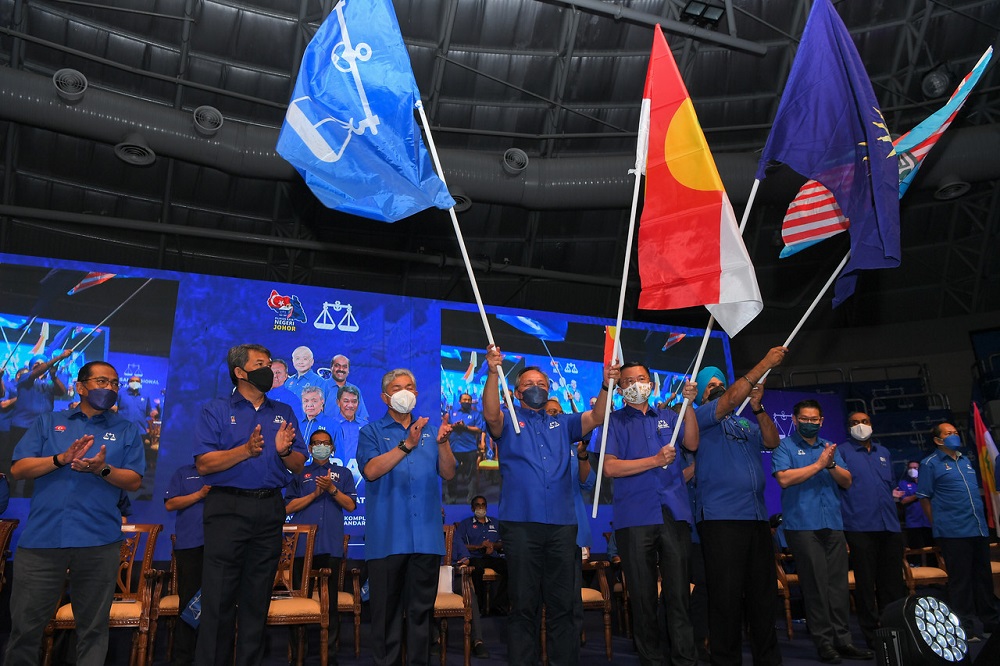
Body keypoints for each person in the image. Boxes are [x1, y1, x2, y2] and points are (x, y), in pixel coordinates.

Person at [482, 344, 618, 666]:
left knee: (564, 607)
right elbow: (490, 413)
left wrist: (605, 383)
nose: (536, 389)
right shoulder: (508, 422)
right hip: (521, 526)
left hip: (561, 527)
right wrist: (490, 372)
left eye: (542, 385)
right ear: (516, 393)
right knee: (524, 605)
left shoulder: (564, 424)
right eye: (529, 384)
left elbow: (598, 416)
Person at [3, 360, 145, 665]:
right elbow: (18, 468)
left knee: (92, 632)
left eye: (114, 383)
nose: (110, 388)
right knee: (25, 630)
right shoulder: (48, 421)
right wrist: (60, 458)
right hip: (43, 542)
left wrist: (101, 468)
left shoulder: (127, 430)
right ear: (80, 387)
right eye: (102, 382)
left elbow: (134, 480)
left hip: (99, 543)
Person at [193, 343, 306, 666]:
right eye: (260, 363)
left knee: (257, 601)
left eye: (270, 363)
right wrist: (245, 450)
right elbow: (204, 464)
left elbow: (299, 464)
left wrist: (284, 451)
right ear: (240, 372)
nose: (268, 369)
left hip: (269, 509)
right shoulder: (214, 409)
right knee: (218, 600)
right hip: (227, 509)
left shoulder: (283, 412)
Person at [692, 348, 786, 666]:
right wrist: (764, 364)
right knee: (726, 598)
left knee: (763, 596)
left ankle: (768, 659)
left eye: (721, 381)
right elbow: (730, 399)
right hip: (721, 519)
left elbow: (772, 442)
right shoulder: (698, 416)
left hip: (756, 517)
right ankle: (726, 661)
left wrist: (758, 410)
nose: (717, 386)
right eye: (710, 384)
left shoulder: (745, 425)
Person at [357, 368, 456, 666]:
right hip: (387, 538)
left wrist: (442, 443)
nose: (405, 391)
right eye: (398, 387)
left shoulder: (430, 429)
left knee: (421, 614)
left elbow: (449, 472)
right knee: (385, 615)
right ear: (385, 396)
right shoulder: (371, 432)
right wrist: (407, 445)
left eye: (410, 386)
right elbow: (371, 471)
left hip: (425, 537)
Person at [602, 362, 699, 666]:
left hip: (673, 513)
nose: (635, 384)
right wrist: (654, 460)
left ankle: (685, 659)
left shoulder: (670, 416)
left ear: (651, 383)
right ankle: (651, 659)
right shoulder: (614, 422)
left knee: (679, 595)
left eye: (641, 378)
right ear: (620, 389)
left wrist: (688, 404)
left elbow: (692, 442)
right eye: (628, 380)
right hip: (634, 517)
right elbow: (610, 467)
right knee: (643, 598)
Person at [773, 399, 871, 664]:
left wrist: (829, 464)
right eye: (804, 419)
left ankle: (844, 640)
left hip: (833, 525)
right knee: (815, 586)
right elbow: (783, 478)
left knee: (838, 586)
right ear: (794, 420)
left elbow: (847, 480)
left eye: (814, 419)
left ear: (821, 421)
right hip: (803, 526)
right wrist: (818, 465)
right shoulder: (785, 446)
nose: (809, 423)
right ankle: (824, 643)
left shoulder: (830, 447)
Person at [916, 423, 1000, 639]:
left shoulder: (965, 460)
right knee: (961, 582)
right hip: (952, 531)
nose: (954, 436)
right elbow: (924, 498)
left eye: (955, 432)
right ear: (937, 440)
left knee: (983, 579)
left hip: (977, 528)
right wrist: (939, 524)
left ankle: (991, 623)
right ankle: (966, 627)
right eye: (948, 434)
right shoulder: (930, 463)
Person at [285, 430, 358, 664]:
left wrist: (331, 489)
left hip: (330, 546)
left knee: (330, 603)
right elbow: (287, 508)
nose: (321, 447)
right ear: (309, 447)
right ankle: (299, 654)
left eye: (325, 443)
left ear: (332, 448)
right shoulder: (299, 473)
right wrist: (315, 493)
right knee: (299, 601)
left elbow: (351, 506)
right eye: (316, 443)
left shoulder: (343, 473)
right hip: (301, 549)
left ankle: (329, 655)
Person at [838, 411, 907, 649]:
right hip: (859, 527)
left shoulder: (884, 452)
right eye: (855, 422)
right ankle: (871, 634)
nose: (860, 425)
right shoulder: (842, 452)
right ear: (849, 428)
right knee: (866, 584)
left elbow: (891, 487)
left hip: (889, 526)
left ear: (871, 425)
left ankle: (896, 628)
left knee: (893, 583)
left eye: (864, 422)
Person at [163, 464, 210, 666]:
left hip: (221, 547)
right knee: (190, 604)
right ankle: (183, 658)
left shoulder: (227, 471)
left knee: (217, 605)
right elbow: (170, 504)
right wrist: (200, 494)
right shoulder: (183, 473)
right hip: (189, 545)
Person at [455, 495, 508, 616]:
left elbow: (503, 542)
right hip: (475, 557)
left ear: (487, 507)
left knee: (509, 568)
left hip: (493, 556)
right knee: (477, 569)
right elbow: (459, 544)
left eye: (483, 505)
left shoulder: (495, 523)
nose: (481, 508)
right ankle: (479, 607)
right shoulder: (465, 524)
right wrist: (478, 547)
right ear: (472, 508)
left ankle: (498, 605)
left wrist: (493, 546)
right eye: (477, 505)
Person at [446, 393, 485, 504]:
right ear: (460, 401)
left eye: (469, 400)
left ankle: (471, 499)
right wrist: (453, 426)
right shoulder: (452, 413)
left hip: (470, 449)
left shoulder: (476, 414)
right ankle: (451, 498)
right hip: (453, 449)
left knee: (471, 476)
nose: (467, 401)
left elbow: (479, 429)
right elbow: (446, 426)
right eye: (464, 399)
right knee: (451, 475)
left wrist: (465, 427)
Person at [333, 385, 366, 488]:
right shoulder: (330, 424)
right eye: (346, 401)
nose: (350, 405)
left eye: (354, 401)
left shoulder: (366, 426)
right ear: (338, 402)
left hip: (360, 477)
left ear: (358, 403)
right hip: (336, 476)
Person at [897, 460, 933, 549]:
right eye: (910, 468)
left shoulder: (927, 482)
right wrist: (918, 494)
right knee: (915, 549)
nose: (912, 470)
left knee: (931, 549)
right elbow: (903, 500)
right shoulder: (903, 483)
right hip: (913, 523)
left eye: (915, 468)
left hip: (929, 521)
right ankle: (915, 563)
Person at [326, 354, 368, 422]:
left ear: (348, 370)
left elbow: (363, 418)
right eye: (337, 366)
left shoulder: (355, 390)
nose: (341, 369)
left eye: (345, 367)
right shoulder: (321, 387)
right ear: (331, 368)